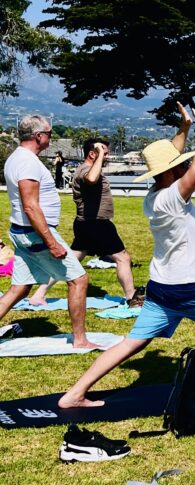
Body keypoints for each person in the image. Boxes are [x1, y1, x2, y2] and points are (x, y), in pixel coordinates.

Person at [57, 103, 195, 409]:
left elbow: (170, 160)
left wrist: (184, 129)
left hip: (161, 289)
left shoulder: (154, 196)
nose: (186, 167)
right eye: (180, 166)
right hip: (191, 288)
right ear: (173, 172)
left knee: (132, 342)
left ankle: (74, 393)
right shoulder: (173, 198)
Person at [0, 115, 97, 349]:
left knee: (20, 288)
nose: (51, 137)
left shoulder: (18, 158)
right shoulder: (27, 162)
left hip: (23, 232)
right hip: (34, 234)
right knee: (79, 280)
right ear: (38, 136)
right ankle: (80, 340)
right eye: (49, 133)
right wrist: (52, 242)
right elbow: (30, 206)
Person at [29, 137, 142, 307]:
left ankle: (39, 294)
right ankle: (131, 297)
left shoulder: (91, 169)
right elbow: (91, 179)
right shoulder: (85, 170)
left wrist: (99, 154)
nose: (107, 157)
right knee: (123, 258)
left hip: (87, 224)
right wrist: (99, 153)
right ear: (92, 154)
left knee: (69, 261)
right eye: (104, 153)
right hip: (96, 224)